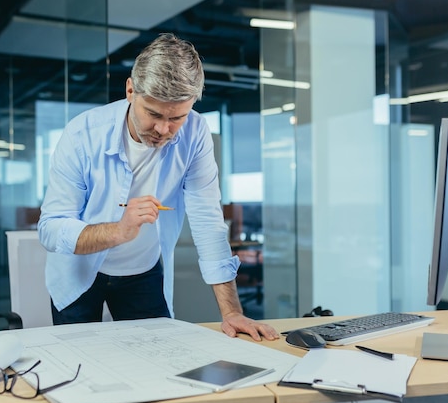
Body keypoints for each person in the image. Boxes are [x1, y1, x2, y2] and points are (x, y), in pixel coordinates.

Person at [38, 33, 279, 342]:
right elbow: (50, 228)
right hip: (78, 272)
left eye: (176, 117)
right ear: (130, 90)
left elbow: (207, 220)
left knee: (159, 361)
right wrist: (118, 231)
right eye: (153, 114)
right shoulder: (82, 135)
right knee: (80, 366)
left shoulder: (194, 132)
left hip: (143, 269)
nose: (164, 129)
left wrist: (231, 312)